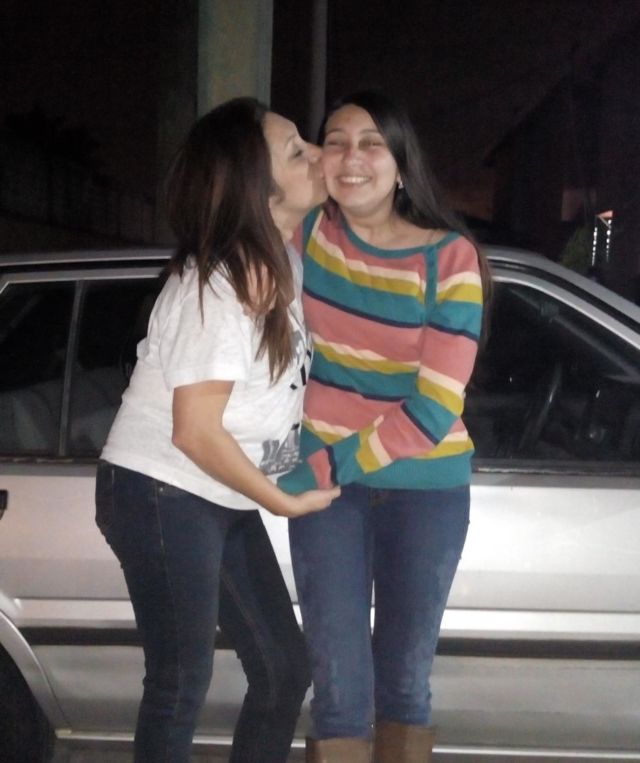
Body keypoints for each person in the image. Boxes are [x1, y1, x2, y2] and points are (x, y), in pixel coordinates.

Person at [95, 97, 339, 763]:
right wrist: (281, 499)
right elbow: (196, 432)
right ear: (258, 189)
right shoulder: (219, 286)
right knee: (180, 680)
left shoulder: (281, 261)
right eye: (297, 151)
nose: (317, 154)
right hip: (161, 488)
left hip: (216, 492)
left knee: (284, 667)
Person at [278, 91, 490, 763]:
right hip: (328, 498)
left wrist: (320, 467)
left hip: (421, 489)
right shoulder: (308, 233)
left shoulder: (449, 259)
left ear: (401, 163)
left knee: (402, 684)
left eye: (372, 143)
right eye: (336, 142)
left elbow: (432, 413)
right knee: (339, 690)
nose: (352, 157)